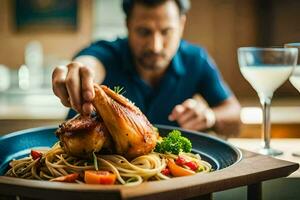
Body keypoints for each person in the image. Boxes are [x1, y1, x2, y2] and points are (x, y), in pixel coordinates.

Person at [52, 0, 241, 137]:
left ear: (182, 24)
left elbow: (234, 116)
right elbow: (90, 63)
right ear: (127, 25)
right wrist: (80, 72)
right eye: (144, 32)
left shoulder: (196, 59)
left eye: (166, 31)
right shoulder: (107, 53)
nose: (155, 46)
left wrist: (210, 117)